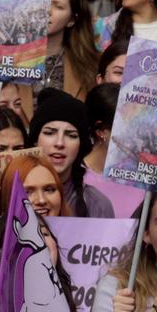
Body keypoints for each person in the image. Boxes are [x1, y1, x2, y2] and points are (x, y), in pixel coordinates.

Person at [27, 88, 114, 217]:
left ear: (80, 146)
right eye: (49, 133)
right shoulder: (12, 193)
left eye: (71, 135)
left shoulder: (97, 205)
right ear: (35, 141)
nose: (59, 143)